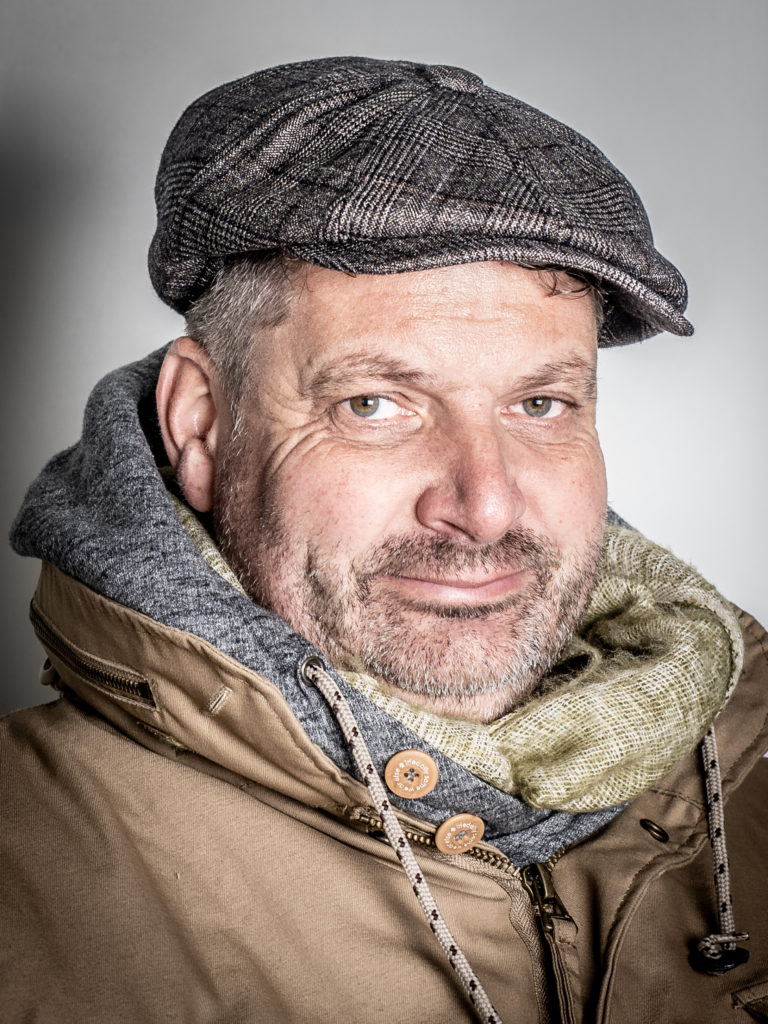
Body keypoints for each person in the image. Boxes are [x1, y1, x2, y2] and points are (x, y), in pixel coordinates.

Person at [1, 56, 766, 1024]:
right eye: (374, 404)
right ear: (201, 423)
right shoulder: (23, 878)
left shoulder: (748, 769)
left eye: (540, 403)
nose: (485, 508)